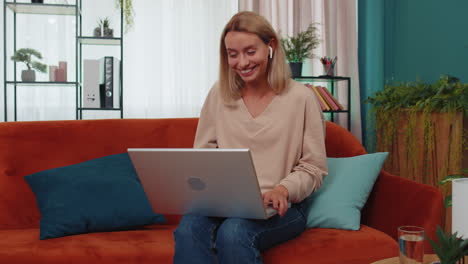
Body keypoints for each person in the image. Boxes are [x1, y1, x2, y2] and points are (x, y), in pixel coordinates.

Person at [173, 11, 327, 264]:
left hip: (283, 206)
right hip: (224, 202)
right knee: (188, 228)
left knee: (234, 232)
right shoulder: (219, 95)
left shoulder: (302, 98)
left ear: (270, 46)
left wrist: (282, 190)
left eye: (250, 51)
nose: (242, 63)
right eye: (233, 55)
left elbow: (314, 167)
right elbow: (203, 155)